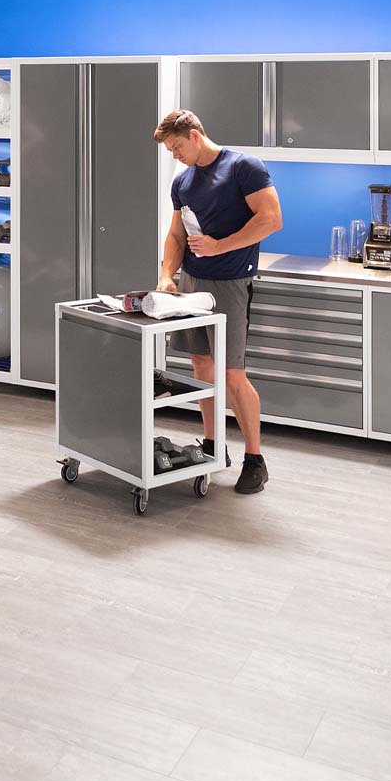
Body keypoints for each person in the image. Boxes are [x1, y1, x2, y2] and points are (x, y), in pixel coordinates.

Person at [153, 109, 282, 494]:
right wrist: (166, 275)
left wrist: (220, 246)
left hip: (230, 282)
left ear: (194, 135)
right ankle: (213, 445)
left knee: (232, 374)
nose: (175, 155)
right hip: (192, 282)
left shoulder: (243, 167)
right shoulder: (183, 181)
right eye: (170, 150)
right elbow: (176, 235)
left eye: (177, 147)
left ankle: (255, 460)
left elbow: (271, 218)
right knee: (202, 366)